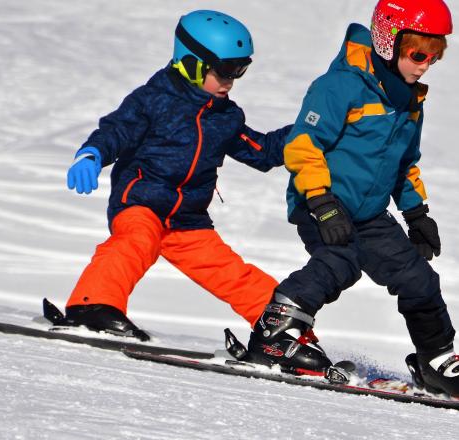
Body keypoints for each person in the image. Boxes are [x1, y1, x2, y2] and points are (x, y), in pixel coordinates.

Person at [246, 0, 459, 398]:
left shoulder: (410, 102)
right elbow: (303, 145)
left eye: (434, 56)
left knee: (418, 278)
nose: (425, 65)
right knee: (340, 260)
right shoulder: (340, 86)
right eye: (418, 53)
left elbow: (405, 163)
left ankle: (436, 359)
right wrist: (321, 200)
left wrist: (417, 213)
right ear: (389, 42)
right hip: (321, 203)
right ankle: (276, 332)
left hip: (370, 214)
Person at [60, 10, 291, 341]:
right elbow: (117, 130)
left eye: (240, 70)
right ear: (193, 62)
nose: (231, 80)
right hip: (142, 202)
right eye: (225, 70)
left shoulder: (225, 116)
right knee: (134, 243)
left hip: (187, 219)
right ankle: (92, 305)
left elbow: (263, 151)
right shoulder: (153, 100)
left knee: (232, 272)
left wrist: (313, 132)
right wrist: (92, 153)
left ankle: (284, 333)